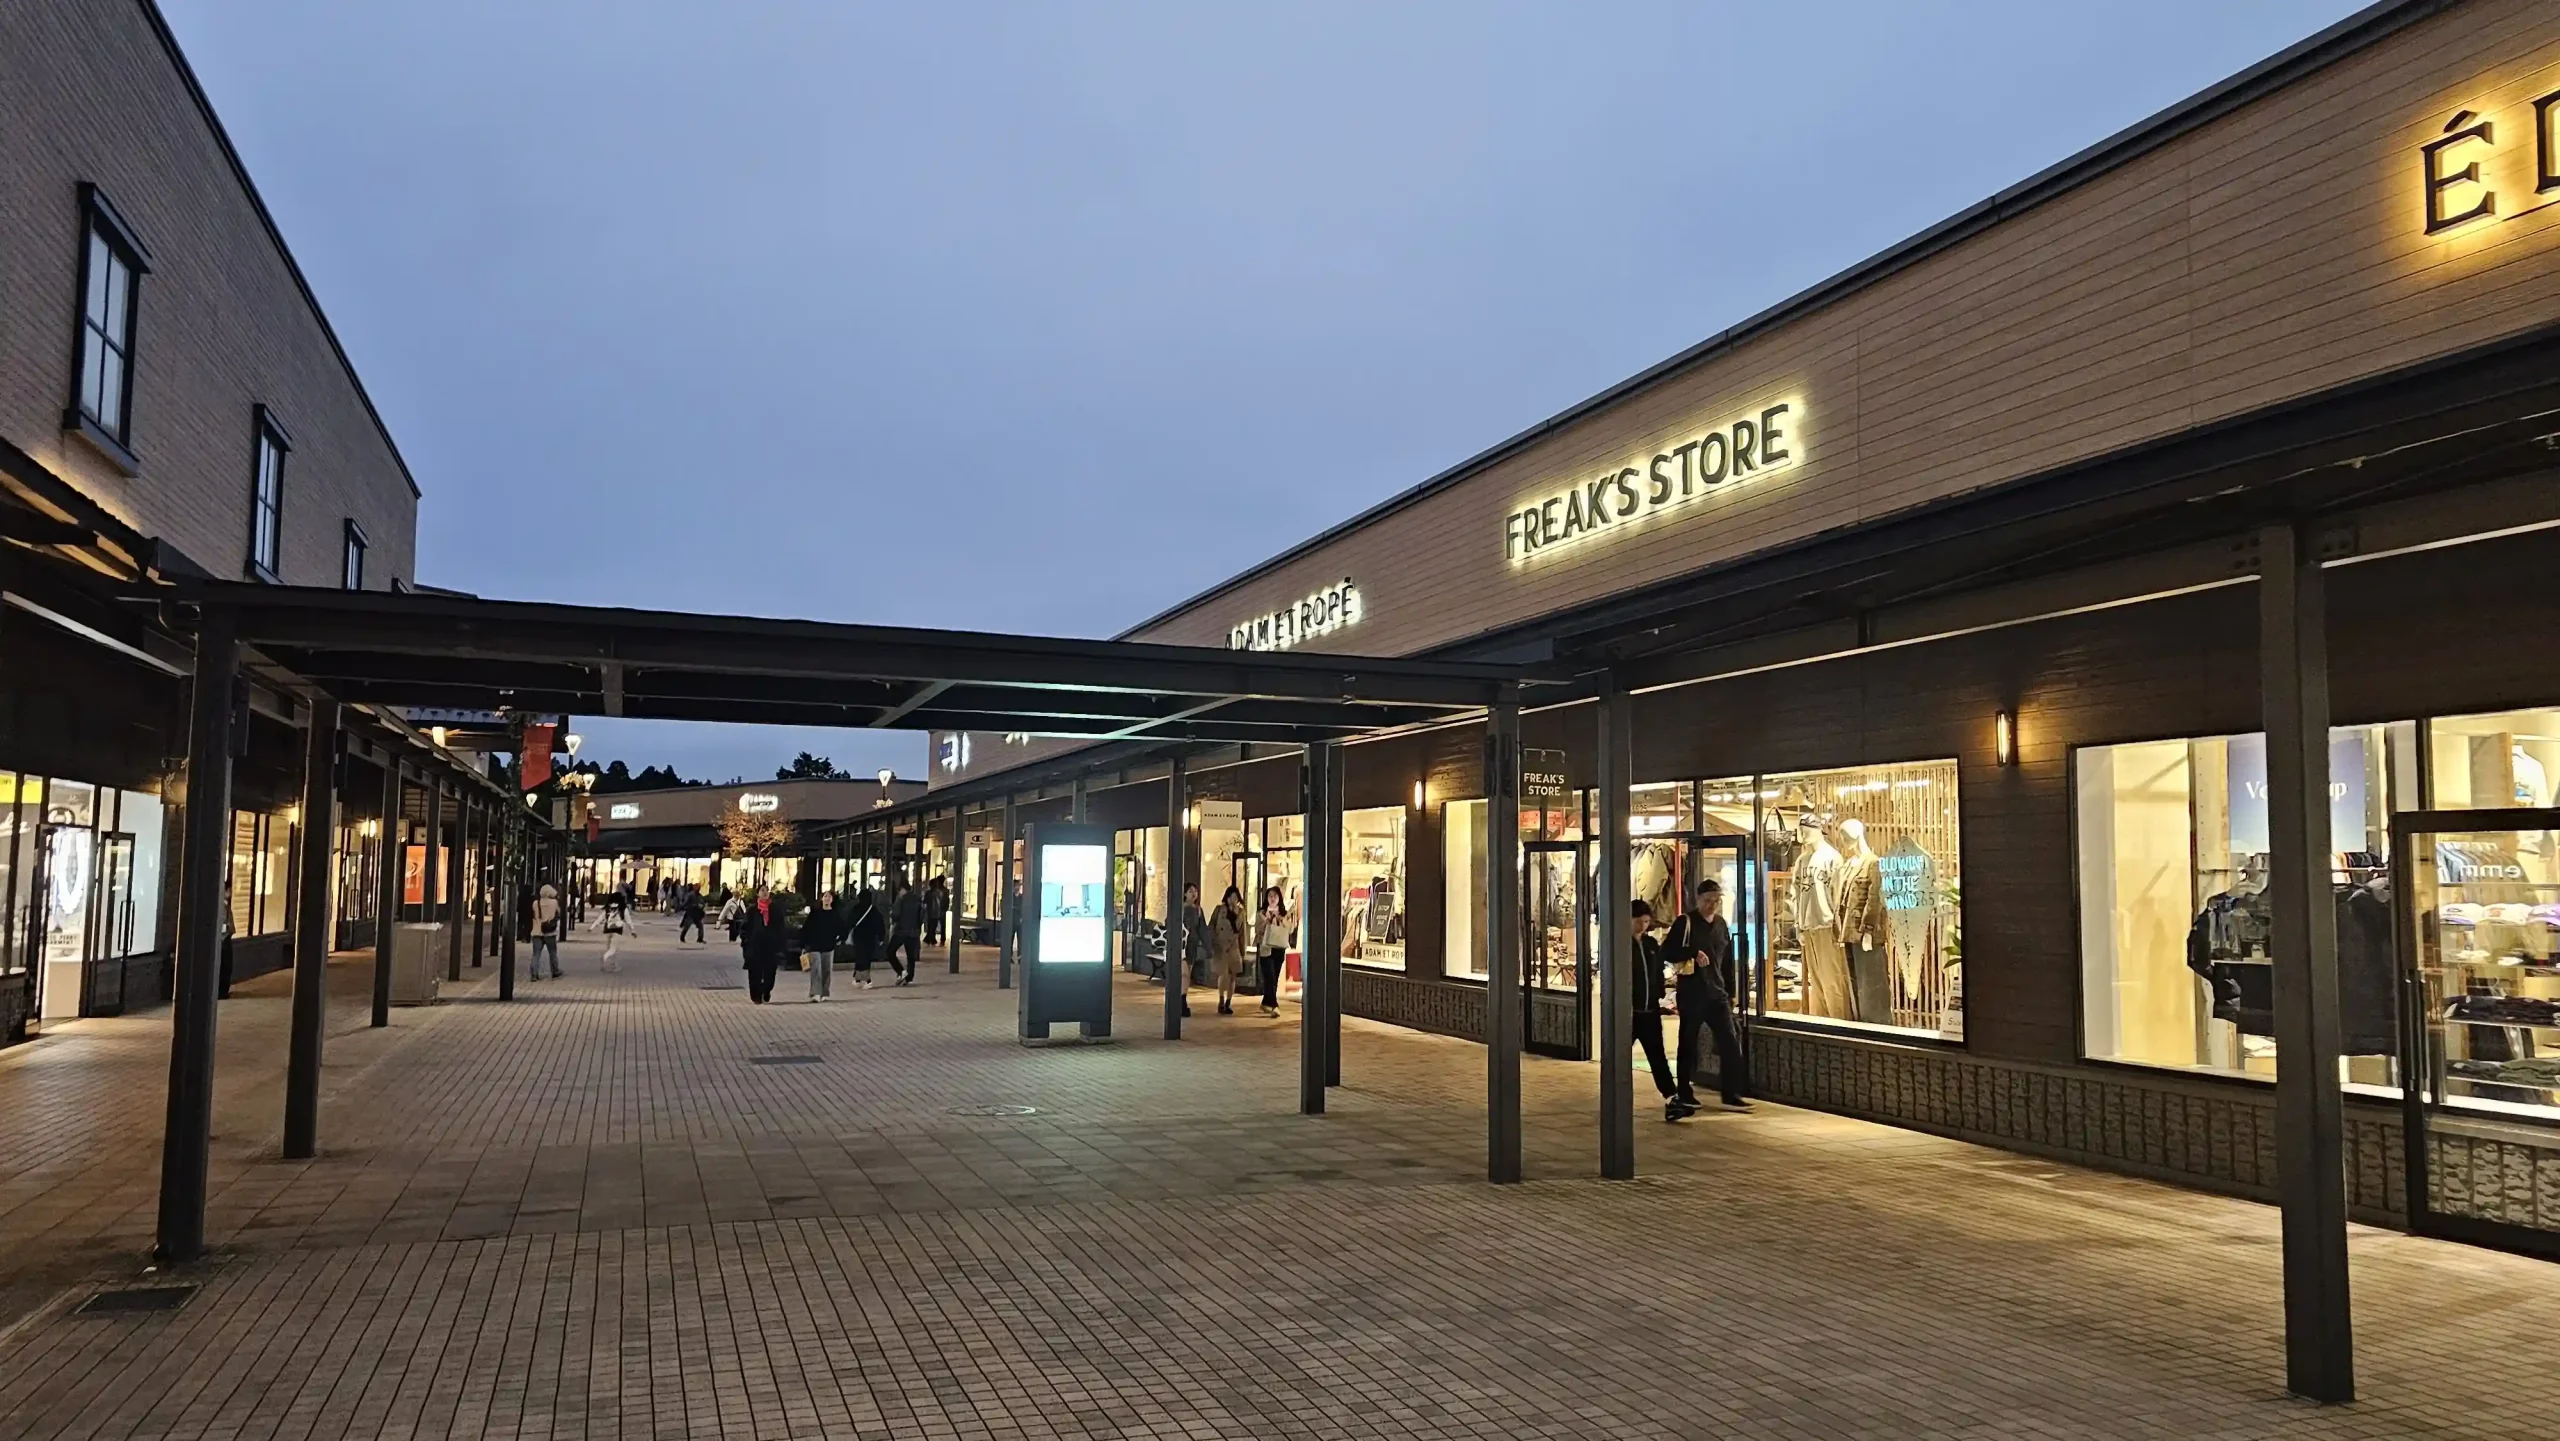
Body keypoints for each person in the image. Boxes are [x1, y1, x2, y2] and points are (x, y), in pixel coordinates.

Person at [1660, 877, 1752, 1117]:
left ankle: (1731, 1091)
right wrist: (1693, 952)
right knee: (1688, 1042)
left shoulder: (1721, 925)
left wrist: (1731, 992)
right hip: (1692, 992)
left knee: (1730, 1041)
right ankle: (1684, 1090)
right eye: (1708, 900)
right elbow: (1667, 952)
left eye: (1716, 901)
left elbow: (1727, 961)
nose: (1712, 905)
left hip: (1717, 993)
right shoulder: (1685, 922)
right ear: (1698, 900)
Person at [1630, 900, 1677, 1108]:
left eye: (1646, 922)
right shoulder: (1620, 943)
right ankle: (1616, 1094)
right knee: (1619, 1056)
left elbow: (1657, 972)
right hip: (1629, 1012)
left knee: (1657, 1055)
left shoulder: (1651, 945)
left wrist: (1660, 994)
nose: (1642, 926)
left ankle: (1671, 1096)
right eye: (1638, 922)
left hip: (1650, 1010)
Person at [1252, 885, 1295, 1018]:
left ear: (1279, 898)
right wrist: (1267, 921)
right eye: (1270, 896)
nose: (1272, 898)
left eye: (1275, 896)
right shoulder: (1261, 913)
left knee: (1274, 977)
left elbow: (1291, 929)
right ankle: (1274, 1005)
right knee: (1269, 976)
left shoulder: (1284, 913)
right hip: (1266, 948)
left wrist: (1281, 919)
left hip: (1279, 947)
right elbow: (1257, 929)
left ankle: (1266, 1002)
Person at [740, 884, 786, 1003]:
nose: (765, 892)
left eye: (766, 890)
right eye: (762, 890)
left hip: (771, 947)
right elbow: (745, 928)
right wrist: (746, 941)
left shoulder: (775, 909)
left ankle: (766, 990)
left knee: (770, 973)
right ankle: (756, 996)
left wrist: (780, 944)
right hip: (755, 946)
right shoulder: (752, 910)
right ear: (758, 893)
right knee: (754, 972)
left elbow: (781, 927)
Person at [1208, 884, 1247, 1015]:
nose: (1233, 900)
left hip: (1234, 947)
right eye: (1231, 897)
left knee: (1232, 975)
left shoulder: (1241, 912)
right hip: (1221, 946)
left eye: (1235, 897)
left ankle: (1228, 1002)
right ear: (1227, 897)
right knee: (1223, 974)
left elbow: (1242, 933)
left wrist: (1243, 951)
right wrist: (1213, 942)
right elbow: (1211, 926)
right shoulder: (1219, 910)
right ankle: (1221, 999)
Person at [799, 890, 842, 1001]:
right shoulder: (815, 913)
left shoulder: (835, 914)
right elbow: (806, 928)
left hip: (829, 946)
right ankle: (815, 993)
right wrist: (804, 944)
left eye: (829, 897)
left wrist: (839, 939)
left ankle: (825, 992)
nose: (827, 898)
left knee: (827, 970)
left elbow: (842, 929)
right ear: (822, 899)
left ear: (832, 900)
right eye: (825, 896)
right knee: (816, 969)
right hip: (815, 945)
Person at [844, 883, 886, 989]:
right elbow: (880, 924)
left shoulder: (856, 909)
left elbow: (849, 922)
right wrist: (881, 937)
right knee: (867, 958)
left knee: (859, 957)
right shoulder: (874, 910)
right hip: (870, 938)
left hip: (858, 937)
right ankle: (864, 979)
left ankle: (861, 979)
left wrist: (844, 935)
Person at [889, 877, 925, 986]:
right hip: (913, 931)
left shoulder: (901, 899)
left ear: (902, 889)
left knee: (890, 951)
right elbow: (922, 916)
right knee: (910, 955)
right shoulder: (917, 899)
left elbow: (896, 915)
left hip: (901, 930)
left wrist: (892, 917)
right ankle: (909, 977)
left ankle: (901, 971)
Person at [529, 883, 564, 981]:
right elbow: (559, 913)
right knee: (552, 953)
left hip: (537, 931)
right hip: (550, 932)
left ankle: (534, 974)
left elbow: (533, 914)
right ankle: (555, 971)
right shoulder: (554, 903)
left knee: (536, 954)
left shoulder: (536, 903)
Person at [600, 895, 625, 972]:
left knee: (609, 948)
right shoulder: (622, 909)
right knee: (613, 949)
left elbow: (600, 919)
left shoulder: (607, 908)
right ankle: (605, 958)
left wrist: (591, 927)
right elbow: (628, 920)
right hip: (617, 931)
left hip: (608, 930)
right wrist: (633, 930)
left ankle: (611, 965)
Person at [923, 873, 947, 946]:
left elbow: (925, 901)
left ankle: (931, 938)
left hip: (932, 911)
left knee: (932, 925)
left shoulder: (931, 893)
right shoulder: (941, 892)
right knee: (935, 925)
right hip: (937, 911)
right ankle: (932, 938)